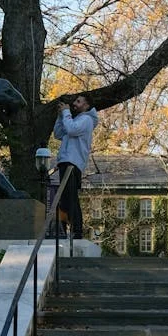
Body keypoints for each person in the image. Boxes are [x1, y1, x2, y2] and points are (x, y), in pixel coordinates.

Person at [54, 93, 98, 240]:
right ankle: (65, 229)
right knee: (65, 199)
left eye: (78, 101)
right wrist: (61, 116)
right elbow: (58, 134)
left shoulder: (86, 120)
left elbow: (71, 130)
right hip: (65, 161)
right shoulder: (73, 120)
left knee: (70, 197)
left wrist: (66, 113)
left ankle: (77, 231)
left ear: (87, 106)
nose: (74, 104)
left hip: (73, 163)